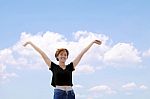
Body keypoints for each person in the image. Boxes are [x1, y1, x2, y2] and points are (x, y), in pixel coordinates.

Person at [23, 39, 102, 99]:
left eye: (65, 55)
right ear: (57, 56)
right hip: (59, 93)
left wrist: (92, 42)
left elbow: (81, 53)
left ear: (67, 57)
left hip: (70, 93)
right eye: (61, 54)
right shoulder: (53, 66)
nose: (63, 56)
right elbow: (42, 53)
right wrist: (30, 43)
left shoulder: (70, 67)